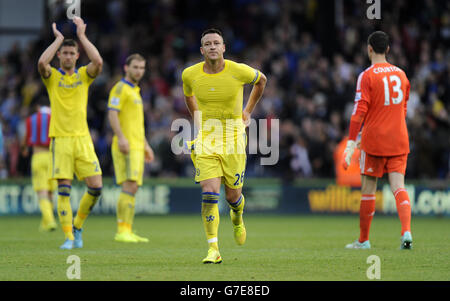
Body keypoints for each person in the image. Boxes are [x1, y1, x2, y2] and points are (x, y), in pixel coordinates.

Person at [182, 28, 267, 263]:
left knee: (233, 197)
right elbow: (188, 96)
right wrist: (197, 118)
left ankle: (237, 217)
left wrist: (247, 111)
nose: (212, 46)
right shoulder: (189, 74)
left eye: (216, 43)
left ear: (223, 48)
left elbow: (261, 81)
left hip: (233, 141)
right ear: (201, 50)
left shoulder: (238, 70)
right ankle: (213, 249)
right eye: (207, 43)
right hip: (206, 141)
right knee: (209, 193)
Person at [37, 17, 103, 250]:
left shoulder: (84, 75)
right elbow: (41, 63)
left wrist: (82, 36)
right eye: (63, 53)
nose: (66, 56)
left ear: (76, 56)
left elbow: (98, 61)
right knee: (63, 188)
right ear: (59, 56)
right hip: (61, 139)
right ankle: (68, 237)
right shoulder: (53, 78)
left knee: (96, 187)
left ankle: (77, 225)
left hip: (82, 139)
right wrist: (58, 39)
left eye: (70, 53)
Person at [343, 31, 412, 250]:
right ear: (388, 49)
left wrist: (352, 141)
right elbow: (403, 109)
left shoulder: (367, 75)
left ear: (369, 49)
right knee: (398, 187)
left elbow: (359, 111)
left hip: (375, 141)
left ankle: (363, 240)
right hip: (399, 139)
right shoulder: (402, 75)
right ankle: (406, 232)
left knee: (368, 190)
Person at [108, 53, 155, 243]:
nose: (139, 71)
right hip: (126, 145)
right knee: (129, 185)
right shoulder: (120, 88)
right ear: (126, 68)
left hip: (137, 145)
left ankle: (127, 229)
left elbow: (136, 123)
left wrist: (145, 145)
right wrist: (121, 138)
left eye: (142, 68)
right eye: (135, 67)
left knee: (133, 187)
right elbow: (112, 114)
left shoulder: (135, 90)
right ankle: (121, 230)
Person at [21, 98, 57, 232]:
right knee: (50, 191)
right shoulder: (54, 117)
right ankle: (45, 222)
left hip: (38, 156)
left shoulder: (31, 119)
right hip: (52, 157)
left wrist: (24, 148)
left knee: (41, 191)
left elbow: (25, 138)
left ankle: (50, 221)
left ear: (37, 106)